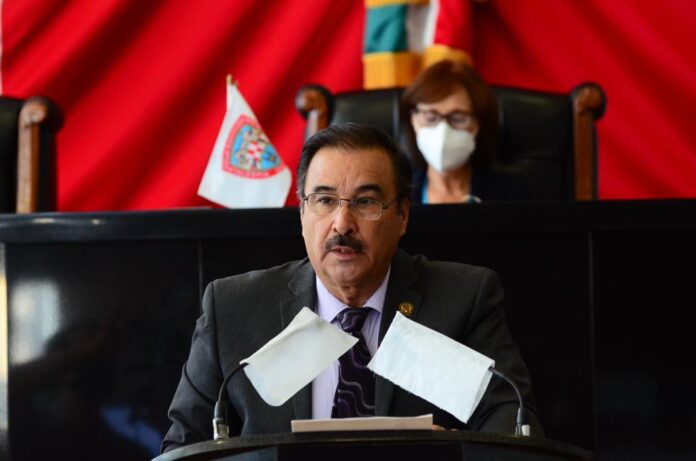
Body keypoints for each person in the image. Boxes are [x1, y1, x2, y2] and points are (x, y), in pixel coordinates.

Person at [162, 123, 542, 451]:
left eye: (365, 202)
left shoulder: (461, 301)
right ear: (302, 211)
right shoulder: (234, 308)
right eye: (325, 200)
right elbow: (184, 447)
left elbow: (513, 433)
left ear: (402, 215)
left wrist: (452, 453)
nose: (342, 223)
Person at [402, 59, 527, 204]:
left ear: (479, 123)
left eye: (458, 118)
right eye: (430, 117)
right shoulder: (397, 196)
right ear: (412, 119)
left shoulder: (512, 194)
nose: (443, 133)